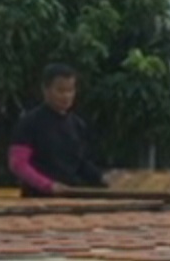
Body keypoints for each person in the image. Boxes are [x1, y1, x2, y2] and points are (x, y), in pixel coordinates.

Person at [8, 63, 106, 197]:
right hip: (37, 199)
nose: (66, 96)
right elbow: (18, 164)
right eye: (60, 91)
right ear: (45, 89)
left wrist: (103, 177)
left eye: (70, 90)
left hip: (69, 196)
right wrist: (48, 185)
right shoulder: (29, 122)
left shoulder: (77, 124)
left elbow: (79, 163)